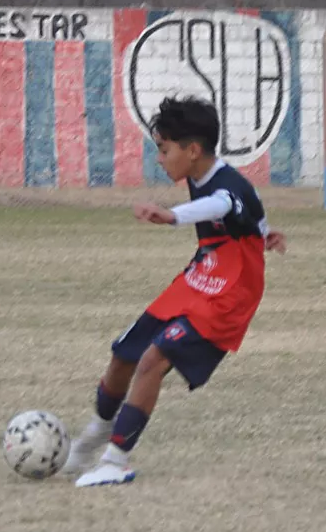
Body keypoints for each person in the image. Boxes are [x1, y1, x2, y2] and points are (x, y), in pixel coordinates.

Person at [64, 95, 287, 487]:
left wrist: (173, 217)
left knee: (154, 359)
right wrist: (265, 233)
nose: (160, 159)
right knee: (124, 354)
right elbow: (253, 210)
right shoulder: (202, 176)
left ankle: (115, 462)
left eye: (164, 150)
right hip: (201, 274)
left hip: (231, 292)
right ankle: (96, 433)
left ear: (193, 150)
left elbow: (223, 205)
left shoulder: (226, 185)